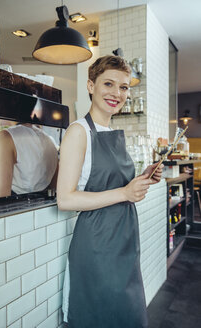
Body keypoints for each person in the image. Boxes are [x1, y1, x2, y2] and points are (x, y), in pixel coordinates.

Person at [57, 55, 163, 328]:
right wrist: (125, 193)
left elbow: (113, 186)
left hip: (124, 242)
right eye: (109, 84)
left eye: (124, 87)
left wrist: (142, 178)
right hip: (97, 245)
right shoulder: (78, 132)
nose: (117, 93)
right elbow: (66, 199)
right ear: (91, 86)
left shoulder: (111, 130)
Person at [0, 123, 58, 198]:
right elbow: (54, 186)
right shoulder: (50, 140)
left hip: (13, 205)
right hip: (42, 205)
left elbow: (0, 195)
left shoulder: (6, 136)